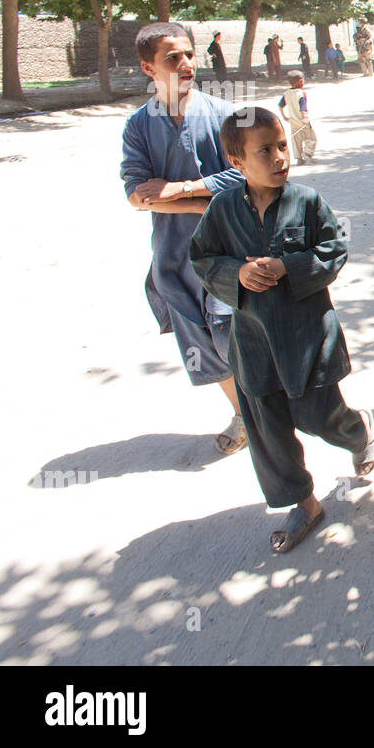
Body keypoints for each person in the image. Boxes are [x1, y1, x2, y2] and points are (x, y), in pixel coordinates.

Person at [190, 107, 374, 553]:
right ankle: (304, 504)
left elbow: (334, 249)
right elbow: (202, 258)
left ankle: (357, 430)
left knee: (319, 417)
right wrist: (236, 273)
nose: (279, 157)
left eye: (282, 146)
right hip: (253, 342)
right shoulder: (221, 208)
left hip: (306, 337)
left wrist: (289, 266)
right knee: (269, 432)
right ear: (236, 162)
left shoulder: (306, 201)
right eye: (265, 151)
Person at [120, 22, 246, 454]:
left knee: (232, 333)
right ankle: (243, 415)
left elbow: (247, 176)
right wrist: (200, 201)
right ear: (147, 67)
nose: (187, 64)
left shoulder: (226, 115)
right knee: (199, 342)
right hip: (175, 256)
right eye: (173, 57)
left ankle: (271, 415)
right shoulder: (138, 126)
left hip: (230, 250)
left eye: (190, 54)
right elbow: (136, 194)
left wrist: (177, 189)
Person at [279, 70, 316, 164]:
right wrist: (305, 117)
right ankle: (308, 154)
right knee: (311, 138)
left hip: (293, 121)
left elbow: (280, 105)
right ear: (300, 81)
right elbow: (302, 107)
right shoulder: (301, 94)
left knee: (296, 139)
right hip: (302, 120)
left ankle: (299, 158)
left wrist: (284, 117)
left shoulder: (286, 94)